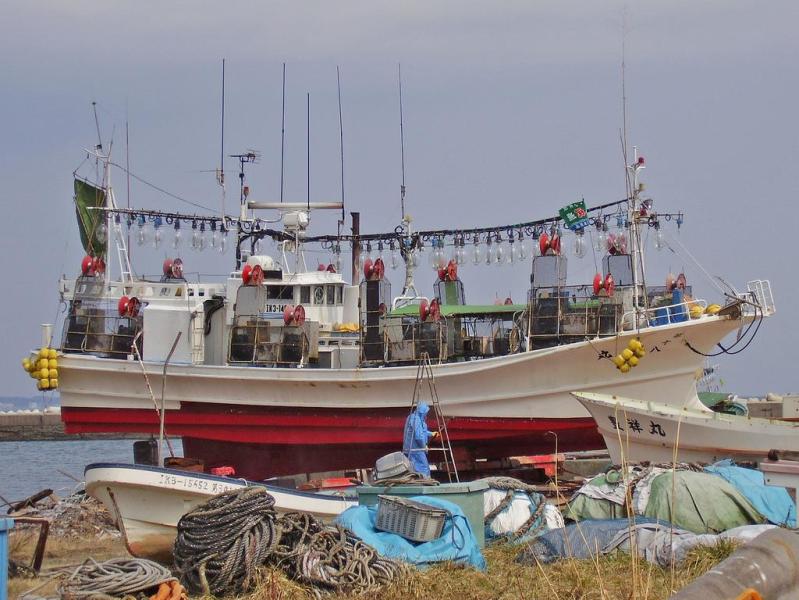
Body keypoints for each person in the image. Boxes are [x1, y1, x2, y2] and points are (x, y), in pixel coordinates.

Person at [402, 401, 439, 477]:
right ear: (423, 412)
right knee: (423, 468)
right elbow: (418, 436)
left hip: (412, 449)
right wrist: (423, 446)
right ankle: (424, 484)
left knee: (414, 467)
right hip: (415, 449)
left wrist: (431, 433)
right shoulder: (416, 419)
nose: (426, 414)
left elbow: (422, 431)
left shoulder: (415, 418)